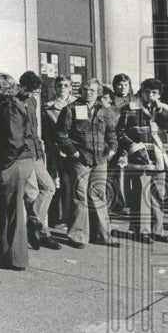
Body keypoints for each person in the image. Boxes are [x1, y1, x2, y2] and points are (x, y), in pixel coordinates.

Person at [56, 78, 119, 249]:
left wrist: (112, 149)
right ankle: (77, 235)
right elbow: (62, 134)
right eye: (84, 90)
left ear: (98, 92)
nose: (87, 93)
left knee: (99, 194)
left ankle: (102, 234)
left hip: (100, 159)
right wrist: (74, 152)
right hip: (80, 159)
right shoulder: (71, 109)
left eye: (91, 90)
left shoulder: (105, 111)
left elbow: (112, 133)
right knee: (80, 195)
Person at [116, 78, 168, 244]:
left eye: (154, 93)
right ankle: (141, 230)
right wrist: (134, 147)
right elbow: (120, 132)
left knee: (159, 194)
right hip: (141, 156)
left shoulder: (164, 109)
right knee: (141, 193)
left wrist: (162, 110)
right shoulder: (129, 109)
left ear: (159, 94)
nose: (150, 95)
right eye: (147, 92)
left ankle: (158, 230)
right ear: (141, 92)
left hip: (160, 156)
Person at [0, 72, 34, 270]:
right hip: (7, 164)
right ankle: (6, 253)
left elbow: (14, 141)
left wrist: (3, 166)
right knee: (4, 210)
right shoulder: (1, 105)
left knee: (13, 212)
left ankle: (16, 260)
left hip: (12, 165)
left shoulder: (11, 106)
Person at [18, 72, 61, 251]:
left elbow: (34, 129)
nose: (31, 94)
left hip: (36, 152)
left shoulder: (33, 101)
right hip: (23, 154)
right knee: (31, 195)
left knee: (49, 187)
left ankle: (34, 222)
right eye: (29, 90)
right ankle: (42, 233)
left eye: (35, 91)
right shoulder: (15, 102)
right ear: (22, 86)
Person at [41, 75, 75, 228]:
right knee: (53, 183)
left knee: (69, 184)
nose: (63, 88)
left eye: (66, 85)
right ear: (55, 87)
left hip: (72, 149)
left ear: (70, 87)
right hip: (54, 150)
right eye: (60, 85)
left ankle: (67, 218)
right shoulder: (48, 107)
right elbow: (46, 132)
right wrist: (54, 148)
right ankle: (54, 217)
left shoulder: (77, 104)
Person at [107, 73, 136, 215]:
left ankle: (132, 203)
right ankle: (117, 204)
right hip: (116, 139)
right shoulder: (110, 101)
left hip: (133, 140)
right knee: (114, 173)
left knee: (132, 174)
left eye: (126, 84)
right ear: (115, 86)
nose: (123, 87)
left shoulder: (136, 100)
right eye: (120, 84)